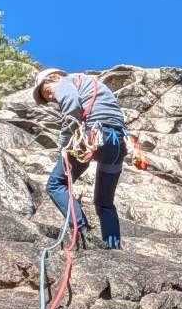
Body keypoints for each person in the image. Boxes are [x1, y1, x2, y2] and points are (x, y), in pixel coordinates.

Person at [33, 68, 127, 249]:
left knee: (56, 184)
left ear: (54, 78)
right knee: (104, 203)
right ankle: (114, 248)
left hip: (93, 137)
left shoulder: (64, 81)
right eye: (48, 98)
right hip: (116, 145)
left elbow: (72, 105)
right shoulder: (92, 84)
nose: (52, 98)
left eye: (48, 92)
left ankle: (82, 232)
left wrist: (63, 145)